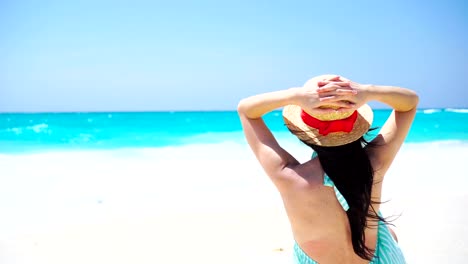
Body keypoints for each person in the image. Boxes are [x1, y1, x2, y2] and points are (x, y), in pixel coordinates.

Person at [237, 74, 419, 263]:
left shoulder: (287, 174)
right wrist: (367, 91)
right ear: (356, 124)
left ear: (303, 131)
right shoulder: (374, 162)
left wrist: (295, 95)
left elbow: (246, 110)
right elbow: (410, 103)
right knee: (387, 232)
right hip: (379, 259)